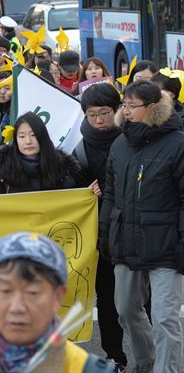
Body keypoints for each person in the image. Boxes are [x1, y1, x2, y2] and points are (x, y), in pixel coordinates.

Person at [0, 232, 114, 373]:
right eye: (5, 291)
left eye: (32, 293)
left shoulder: (85, 368)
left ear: (58, 296)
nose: (17, 307)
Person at [100, 81, 184, 373]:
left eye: (132, 105)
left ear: (152, 108)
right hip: (126, 240)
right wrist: (105, 233)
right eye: (125, 104)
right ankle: (146, 362)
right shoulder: (120, 143)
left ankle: (167, 369)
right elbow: (110, 192)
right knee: (125, 308)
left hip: (167, 245)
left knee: (165, 318)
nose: (127, 110)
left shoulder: (177, 143)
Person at [71, 83, 127, 371]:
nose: (100, 120)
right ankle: (115, 355)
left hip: (130, 231)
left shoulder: (131, 138)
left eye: (105, 112)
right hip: (98, 235)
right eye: (93, 114)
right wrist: (83, 189)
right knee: (106, 299)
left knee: (139, 301)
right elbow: (68, 192)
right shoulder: (78, 148)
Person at [0, 112, 95, 195]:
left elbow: (74, 198)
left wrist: (89, 193)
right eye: (22, 136)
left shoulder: (62, 166)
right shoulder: (4, 168)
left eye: (33, 135)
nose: (28, 141)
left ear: (43, 137)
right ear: (16, 139)